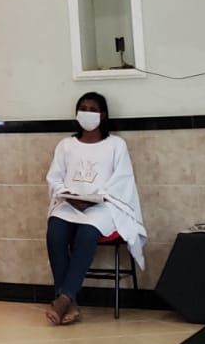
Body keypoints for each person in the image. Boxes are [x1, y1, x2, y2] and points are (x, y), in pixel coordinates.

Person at [44, 92, 145, 327]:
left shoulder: (116, 145)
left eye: (93, 109)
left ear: (103, 115)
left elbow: (122, 180)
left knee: (87, 232)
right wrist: (68, 195)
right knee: (55, 231)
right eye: (83, 108)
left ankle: (63, 298)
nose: (87, 113)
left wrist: (95, 198)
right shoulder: (66, 145)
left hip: (103, 206)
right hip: (69, 204)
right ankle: (70, 302)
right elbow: (54, 178)